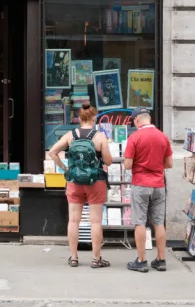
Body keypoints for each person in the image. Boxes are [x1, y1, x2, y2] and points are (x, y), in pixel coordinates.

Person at [49, 103, 113, 268]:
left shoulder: (71, 135)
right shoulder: (100, 137)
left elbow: (52, 152)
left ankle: (74, 257)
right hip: (95, 181)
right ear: (94, 118)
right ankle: (96, 259)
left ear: (79, 118)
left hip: (74, 181)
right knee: (96, 222)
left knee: (73, 220)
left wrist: (66, 169)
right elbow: (108, 161)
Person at [124, 107, 173, 272]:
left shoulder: (134, 137)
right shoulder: (163, 136)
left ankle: (142, 260)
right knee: (159, 223)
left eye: (133, 121)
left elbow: (128, 164)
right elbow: (169, 164)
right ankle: (160, 260)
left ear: (137, 120)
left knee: (140, 223)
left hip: (140, 183)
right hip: (159, 184)